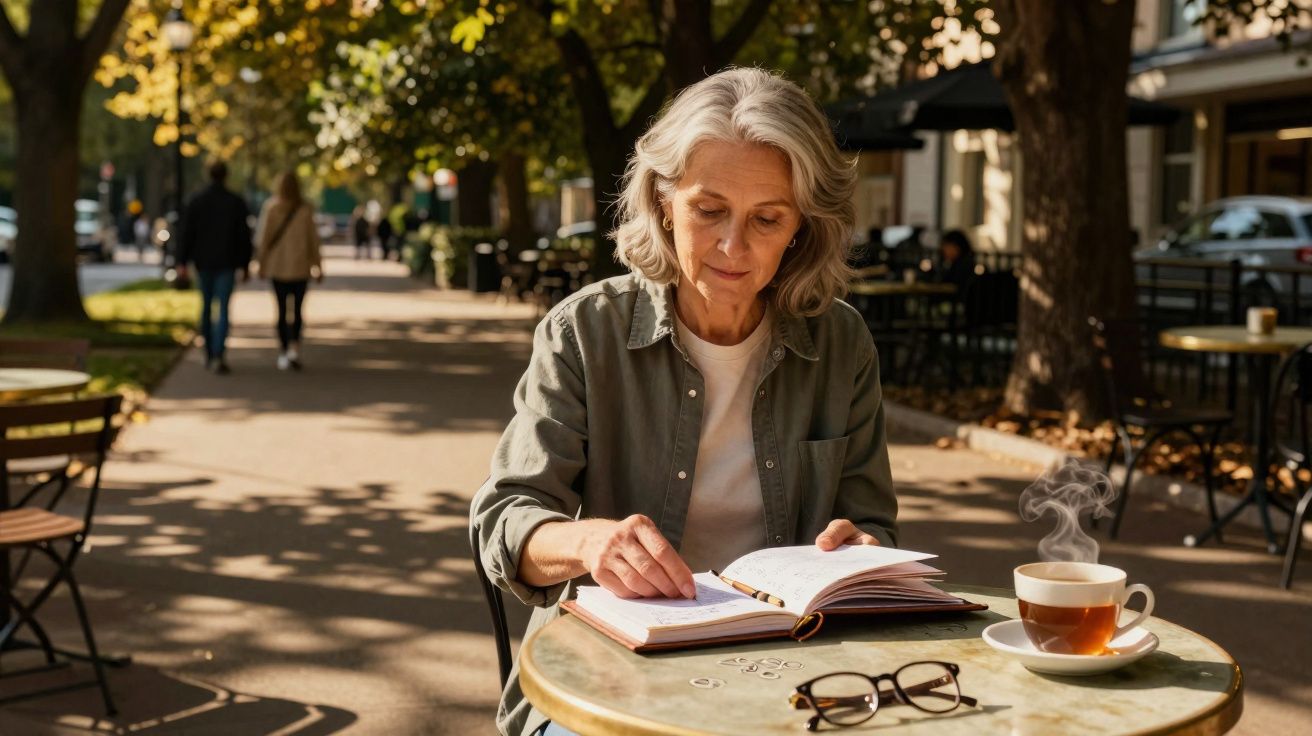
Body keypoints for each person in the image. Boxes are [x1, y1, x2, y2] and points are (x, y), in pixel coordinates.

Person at [470, 68, 897, 736]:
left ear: (802, 228)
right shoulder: (585, 333)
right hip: (607, 681)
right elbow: (504, 522)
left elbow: (873, 526)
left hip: (792, 677)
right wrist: (590, 542)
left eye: (767, 219)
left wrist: (863, 551)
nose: (733, 246)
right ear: (664, 201)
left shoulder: (842, 344)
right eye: (708, 209)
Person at [176, 161, 253, 375]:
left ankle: (210, 352)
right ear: (226, 175)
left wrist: (182, 262)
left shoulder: (197, 201)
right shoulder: (235, 202)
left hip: (204, 263)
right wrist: (245, 265)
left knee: (207, 307)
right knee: (223, 309)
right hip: (226, 263)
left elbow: (186, 234)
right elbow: (244, 238)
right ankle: (218, 353)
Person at [254, 172, 323, 371]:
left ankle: (284, 350)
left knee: (282, 311)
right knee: (298, 311)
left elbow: (263, 239)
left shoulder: (272, 207)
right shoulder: (305, 209)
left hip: (278, 268)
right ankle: (294, 348)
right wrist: (318, 265)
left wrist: (262, 264)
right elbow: (314, 241)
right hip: (300, 268)